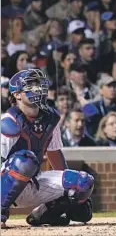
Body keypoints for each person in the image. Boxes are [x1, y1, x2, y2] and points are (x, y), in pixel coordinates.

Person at [1, 69, 94, 228]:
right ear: (17, 94)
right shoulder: (8, 121)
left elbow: (55, 154)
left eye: (38, 84)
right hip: (6, 182)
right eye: (31, 85)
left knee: (83, 182)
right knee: (25, 160)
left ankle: (42, 216)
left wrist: (73, 191)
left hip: (33, 181)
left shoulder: (51, 118)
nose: (37, 88)